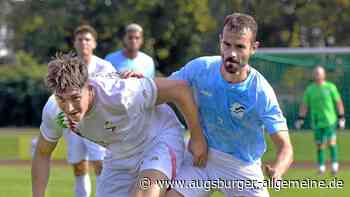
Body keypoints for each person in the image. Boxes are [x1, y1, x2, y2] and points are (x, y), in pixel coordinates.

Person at [31, 52, 207, 197]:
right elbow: (42, 152)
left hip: (158, 139)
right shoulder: (54, 111)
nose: (69, 108)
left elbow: (180, 89)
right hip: (118, 155)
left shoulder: (122, 93)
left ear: (88, 86)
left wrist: (197, 138)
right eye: (61, 99)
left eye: (76, 98)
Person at [166, 13, 293, 197]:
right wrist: (139, 81)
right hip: (202, 157)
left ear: (253, 48)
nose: (231, 53)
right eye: (227, 44)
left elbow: (285, 147)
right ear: (220, 42)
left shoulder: (261, 93)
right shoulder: (201, 68)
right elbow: (164, 88)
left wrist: (278, 170)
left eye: (240, 46)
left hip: (242, 167)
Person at [31, 25, 116, 197]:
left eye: (87, 39)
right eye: (80, 39)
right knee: (78, 166)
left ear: (94, 44)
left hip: (100, 122)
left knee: (100, 164)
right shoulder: (54, 106)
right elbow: (41, 153)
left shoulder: (105, 67)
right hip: (72, 125)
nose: (84, 43)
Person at [295, 65, 345, 175]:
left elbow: (338, 102)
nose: (317, 75)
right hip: (317, 122)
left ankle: (334, 166)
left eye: (319, 73)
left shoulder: (330, 87)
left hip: (330, 120)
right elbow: (304, 105)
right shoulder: (310, 89)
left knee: (331, 143)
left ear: (324, 75)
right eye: (316, 73)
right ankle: (321, 167)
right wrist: (300, 118)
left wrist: (341, 117)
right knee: (319, 144)